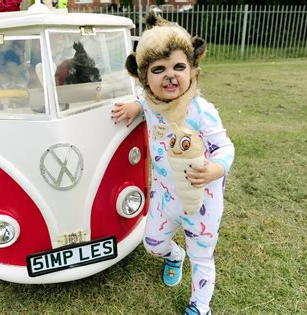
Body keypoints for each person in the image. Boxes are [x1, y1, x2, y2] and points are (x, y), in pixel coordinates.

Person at [111, 13, 234, 315]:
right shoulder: (151, 104)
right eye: (159, 69)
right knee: (152, 243)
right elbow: (148, 104)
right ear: (143, 77)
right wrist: (136, 106)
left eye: (179, 66)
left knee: (202, 257)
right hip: (165, 197)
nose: (170, 75)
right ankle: (173, 255)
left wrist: (214, 170)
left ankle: (200, 306)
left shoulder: (201, 110)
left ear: (192, 69)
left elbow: (224, 147)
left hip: (202, 201)